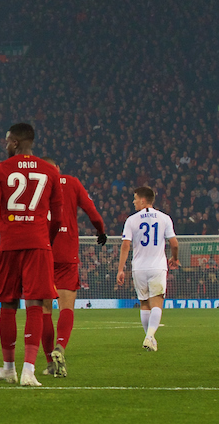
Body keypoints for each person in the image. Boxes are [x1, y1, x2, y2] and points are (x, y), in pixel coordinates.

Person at [0, 122, 62, 387]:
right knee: (36, 305)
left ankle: (9, 368)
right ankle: (29, 370)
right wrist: (44, 241)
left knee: (9, 305)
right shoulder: (50, 171)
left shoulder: (0, 170)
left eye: (6, 141)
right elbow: (57, 218)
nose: (5, 146)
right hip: (38, 245)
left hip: (10, 246)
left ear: (14, 142)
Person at [41, 159, 107, 378]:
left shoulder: (36, 185)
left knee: (44, 310)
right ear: (58, 167)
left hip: (42, 252)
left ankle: (50, 364)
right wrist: (100, 230)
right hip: (67, 253)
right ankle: (60, 346)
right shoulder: (71, 182)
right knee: (66, 306)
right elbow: (92, 211)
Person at [117, 186, 180, 352]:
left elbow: (125, 245)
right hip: (157, 266)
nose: (133, 201)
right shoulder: (164, 218)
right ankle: (150, 336)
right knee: (157, 302)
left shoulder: (131, 220)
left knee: (144, 304)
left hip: (139, 268)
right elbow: (174, 243)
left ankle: (149, 338)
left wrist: (121, 269)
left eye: (135, 198)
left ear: (143, 200)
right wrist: (174, 258)